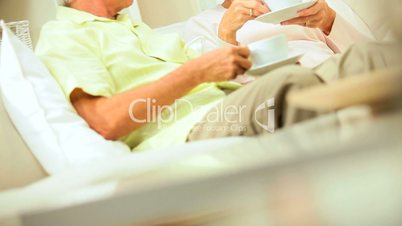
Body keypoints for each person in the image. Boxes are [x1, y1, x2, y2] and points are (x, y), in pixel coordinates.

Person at [35, 0, 323, 151]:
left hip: (226, 104)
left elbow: (213, 74)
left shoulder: (134, 28)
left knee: (362, 58)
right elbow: (105, 122)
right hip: (188, 128)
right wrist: (195, 73)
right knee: (295, 87)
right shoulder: (63, 35)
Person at [184, 0, 375, 67]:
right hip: (272, 97)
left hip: (334, 76)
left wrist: (330, 21)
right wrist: (226, 35)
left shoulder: (312, 4)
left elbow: (374, 57)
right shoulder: (202, 25)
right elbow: (214, 93)